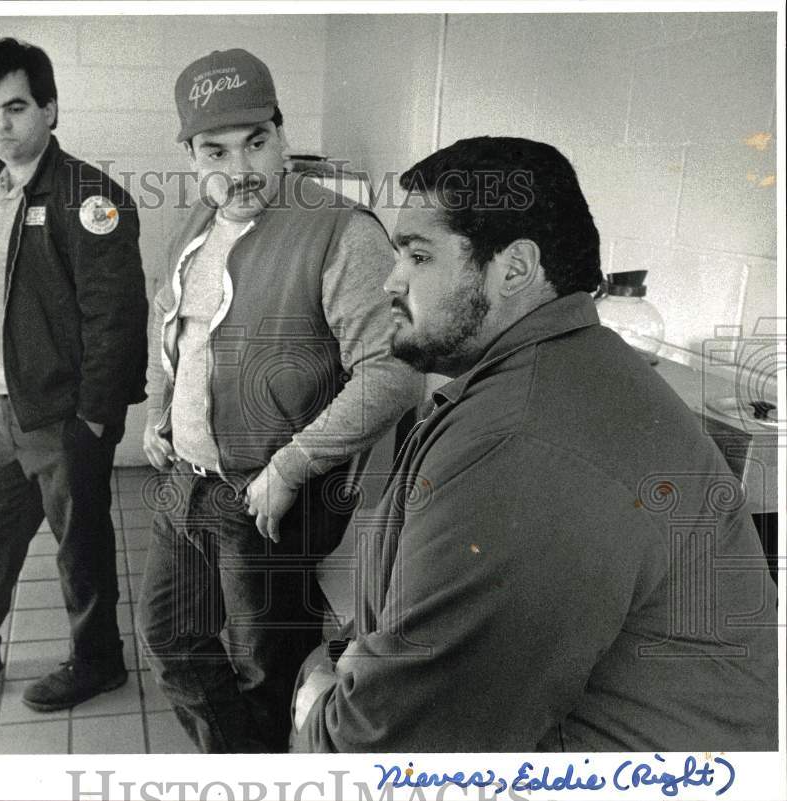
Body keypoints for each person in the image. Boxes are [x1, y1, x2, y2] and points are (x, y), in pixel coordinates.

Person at [291, 137, 778, 752]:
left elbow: (394, 751)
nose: (391, 281)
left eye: (418, 256)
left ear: (515, 268)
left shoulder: (521, 440)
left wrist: (316, 705)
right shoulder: (563, 370)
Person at [135, 48, 421, 753]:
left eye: (257, 143)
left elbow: (393, 375)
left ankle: (265, 769)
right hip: (188, 482)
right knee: (171, 637)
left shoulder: (339, 232)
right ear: (192, 155)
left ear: (283, 136)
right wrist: (157, 411)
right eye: (216, 150)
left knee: (268, 671)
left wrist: (290, 467)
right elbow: (169, 326)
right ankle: (237, 764)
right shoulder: (195, 230)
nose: (239, 170)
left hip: (269, 498)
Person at [0, 38, 148, 716]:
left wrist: (95, 418)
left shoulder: (92, 197)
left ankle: (99, 661)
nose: (2, 124)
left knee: (81, 547)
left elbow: (117, 317)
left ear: (50, 108)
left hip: (63, 411)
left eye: (16, 107)